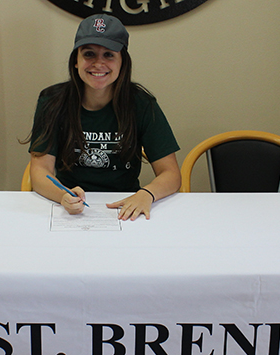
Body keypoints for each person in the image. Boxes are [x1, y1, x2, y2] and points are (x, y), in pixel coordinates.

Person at [23, 14, 181, 220]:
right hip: (67, 206)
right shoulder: (52, 101)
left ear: (123, 62)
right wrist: (63, 196)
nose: (98, 63)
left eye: (109, 55)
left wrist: (146, 194)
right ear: (76, 61)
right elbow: (40, 170)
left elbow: (171, 174)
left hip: (125, 206)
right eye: (89, 54)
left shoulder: (141, 103)